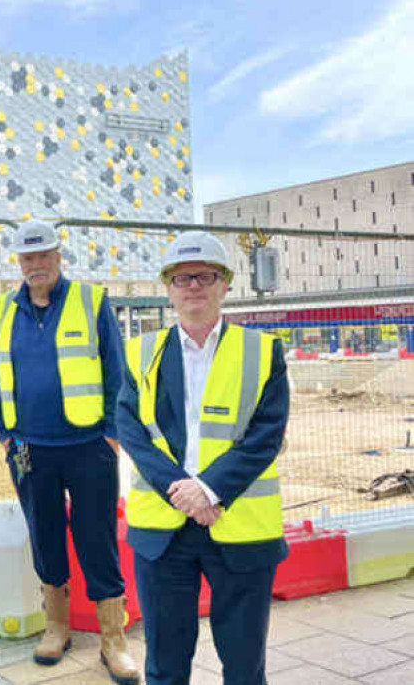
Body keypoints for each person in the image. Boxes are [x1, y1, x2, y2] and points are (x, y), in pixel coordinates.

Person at [117, 231, 289, 685]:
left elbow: (266, 434)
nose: (193, 286)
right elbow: (131, 431)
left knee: (244, 666)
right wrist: (185, 494)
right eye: (181, 277)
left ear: (225, 284)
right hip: (163, 532)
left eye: (205, 276)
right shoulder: (140, 353)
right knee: (165, 666)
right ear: (168, 287)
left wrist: (208, 489)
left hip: (240, 527)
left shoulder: (263, 352)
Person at [0, 221, 139, 685]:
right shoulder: (3, 309)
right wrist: (4, 433)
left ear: (58, 256)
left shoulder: (90, 301)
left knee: (96, 537)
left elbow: (117, 369)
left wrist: (111, 434)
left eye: (43, 256)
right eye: (27, 258)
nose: (36, 265)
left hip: (88, 445)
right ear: (19, 262)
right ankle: (57, 626)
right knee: (45, 533)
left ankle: (114, 638)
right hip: (30, 447)